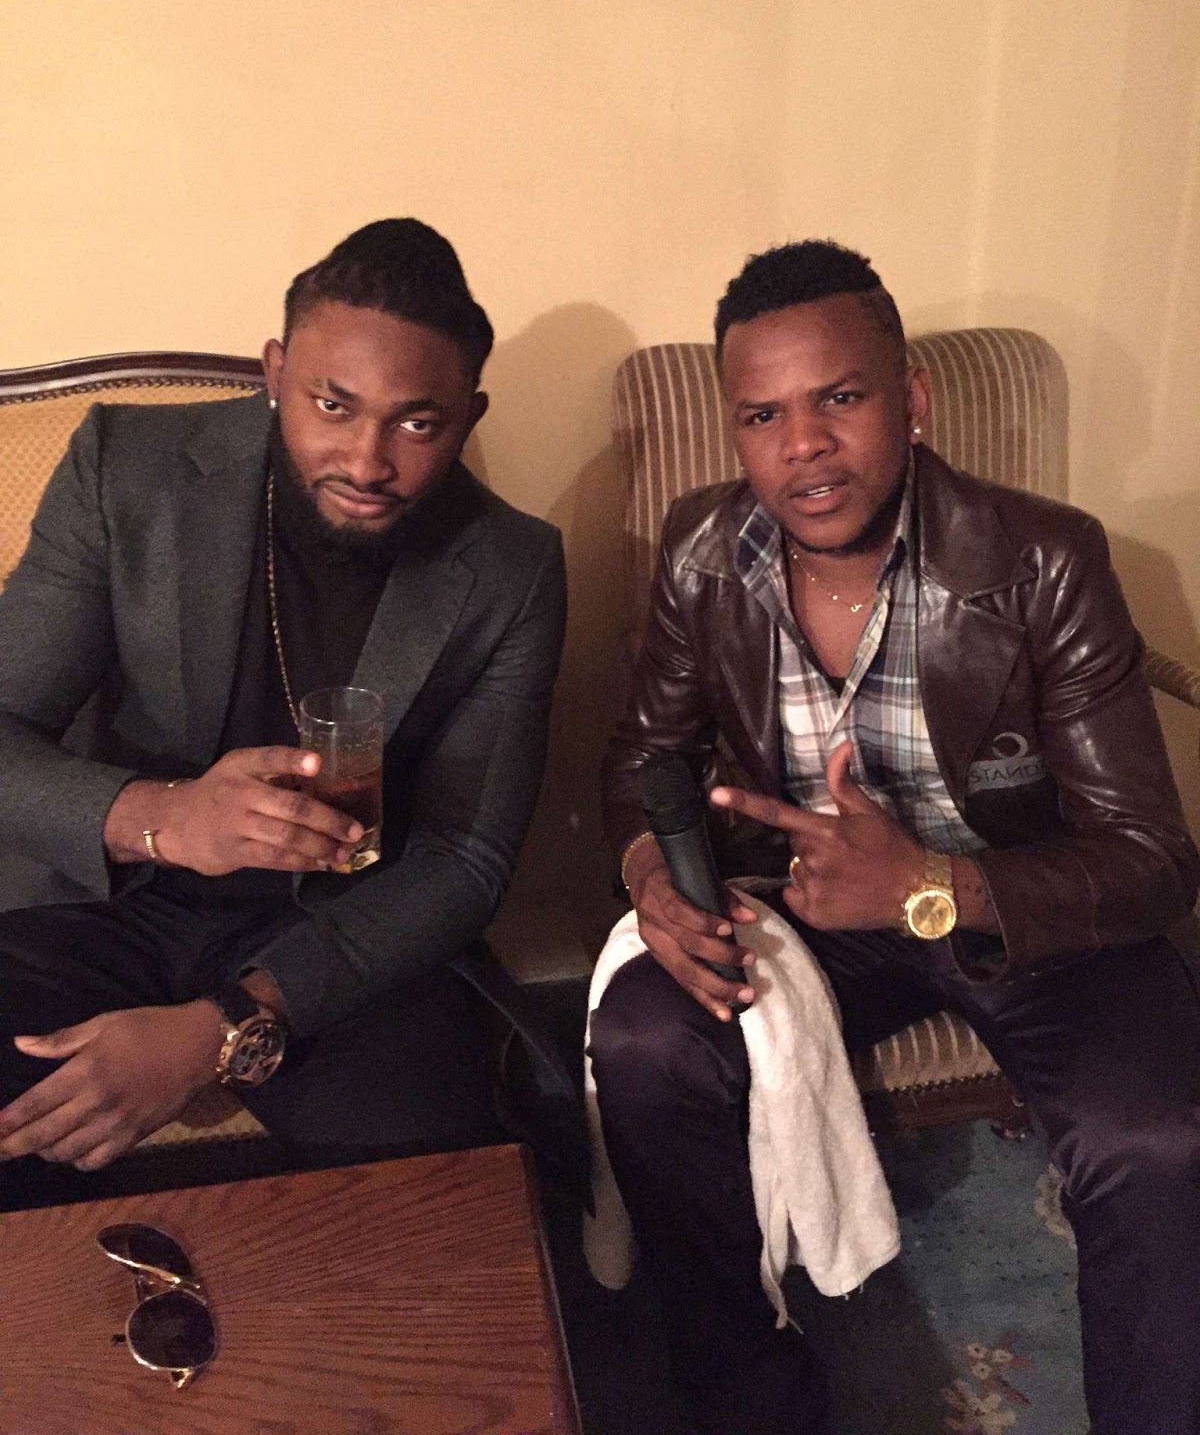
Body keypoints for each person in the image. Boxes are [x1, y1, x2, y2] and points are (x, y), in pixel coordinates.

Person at [591, 240, 1200, 1435]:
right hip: (814, 912)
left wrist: (930, 883)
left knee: (1156, 1142)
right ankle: (749, 1394)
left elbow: (1149, 859)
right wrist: (650, 870)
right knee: (645, 1041)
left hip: (1027, 905)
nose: (804, 446)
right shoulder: (704, 551)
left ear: (911, 402)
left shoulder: (1046, 560)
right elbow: (639, 758)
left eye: (840, 397)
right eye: (763, 415)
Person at [0, 217, 568, 1197]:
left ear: (469, 415)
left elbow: (465, 859)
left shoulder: (512, 567)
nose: (367, 460)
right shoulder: (123, 466)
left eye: (416, 424)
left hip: (340, 939)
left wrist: (224, 1028)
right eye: (332, 405)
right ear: (275, 371)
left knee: (441, 1176)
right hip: (107, 901)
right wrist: (162, 816)